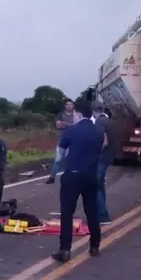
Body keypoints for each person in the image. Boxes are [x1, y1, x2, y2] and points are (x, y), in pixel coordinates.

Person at [52, 101, 106, 263]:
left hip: (73, 175)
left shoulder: (71, 131)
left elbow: (60, 155)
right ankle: (95, 246)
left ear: (79, 114)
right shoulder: (98, 132)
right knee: (91, 211)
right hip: (91, 175)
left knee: (67, 213)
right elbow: (101, 147)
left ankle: (65, 249)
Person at [46, 99, 82, 184]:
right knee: (57, 160)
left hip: (73, 141)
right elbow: (58, 125)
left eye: (71, 104)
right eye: (67, 104)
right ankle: (52, 177)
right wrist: (71, 125)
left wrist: (65, 124)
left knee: (70, 160)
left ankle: (69, 177)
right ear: (65, 106)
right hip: (62, 140)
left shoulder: (78, 115)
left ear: (73, 106)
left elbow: (78, 126)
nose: (69, 106)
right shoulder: (60, 114)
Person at [92, 101, 114, 224]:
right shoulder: (109, 122)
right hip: (108, 157)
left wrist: (95, 151)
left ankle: (102, 215)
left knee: (94, 186)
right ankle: (101, 213)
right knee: (100, 186)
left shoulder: (99, 122)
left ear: (94, 112)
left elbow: (104, 141)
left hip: (100, 157)